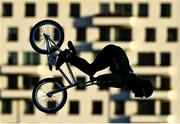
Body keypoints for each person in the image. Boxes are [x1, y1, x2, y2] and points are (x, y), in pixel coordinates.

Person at [56, 44, 153, 98]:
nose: (137, 95)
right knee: (90, 70)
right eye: (141, 94)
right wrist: (98, 79)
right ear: (141, 88)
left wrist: (99, 82)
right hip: (111, 53)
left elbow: (113, 83)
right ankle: (67, 56)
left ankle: (71, 55)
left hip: (112, 53)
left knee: (91, 69)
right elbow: (112, 78)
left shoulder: (129, 82)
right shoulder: (128, 79)